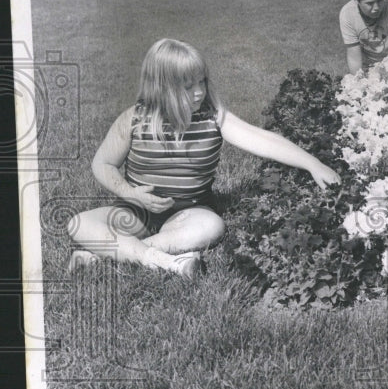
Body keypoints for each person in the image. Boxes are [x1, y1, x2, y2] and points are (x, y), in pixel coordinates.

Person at [68, 38, 341, 279]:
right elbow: (101, 164)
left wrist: (312, 163)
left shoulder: (212, 116)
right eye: (188, 86)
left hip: (189, 213)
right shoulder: (134, 119)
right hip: (135, 212)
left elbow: (262, 139)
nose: (199, 92)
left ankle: (108, 256)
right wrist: (131, 193)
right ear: (161, 87)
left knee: (212, 226)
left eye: (202, 82)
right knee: (78, 223)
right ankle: (163, 261)